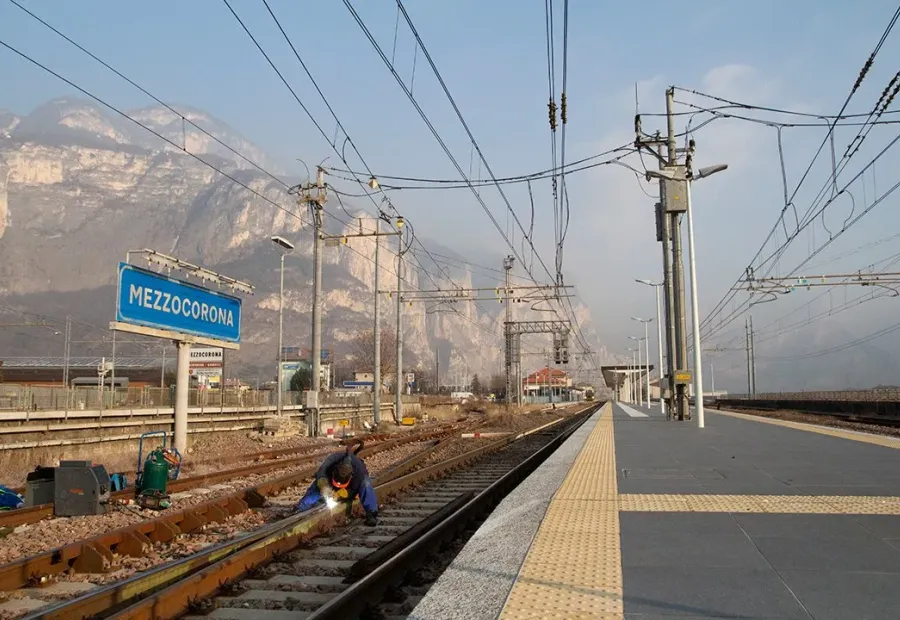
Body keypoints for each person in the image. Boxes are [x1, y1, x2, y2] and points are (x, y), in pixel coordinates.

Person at [295, 439, 378, 526]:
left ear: (351, 476)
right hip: (330, 481)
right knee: (317, 485)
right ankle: (301, 508)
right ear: (334, 471)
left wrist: (340, 494)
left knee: (366, 484)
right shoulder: (331, 461)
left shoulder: (359, 472)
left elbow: (353, 490)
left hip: (352, 486)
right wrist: (324, 486)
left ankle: (371, 513)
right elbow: (321, 473)